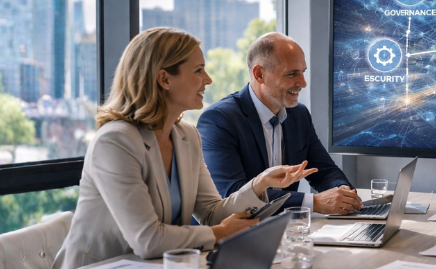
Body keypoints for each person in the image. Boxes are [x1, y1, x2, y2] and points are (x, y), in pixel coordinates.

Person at [52, 28, 317, 268]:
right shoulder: (115, 142)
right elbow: (148, 240)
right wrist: (219, 234)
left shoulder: (186, 136)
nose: (209, 79)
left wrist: (259, 184)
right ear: (164, 79)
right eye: (198, 70)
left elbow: (212, 213)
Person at [198, 32, 362, 215]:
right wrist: (312, 202)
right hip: (231, 235)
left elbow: (324, 170)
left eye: (302, 72)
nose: (303, 83)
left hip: (284, 229)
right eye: (292, 74)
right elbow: (231, 193)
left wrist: (343, 192)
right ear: (259, 74)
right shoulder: (219, 120)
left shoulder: (299, 115)